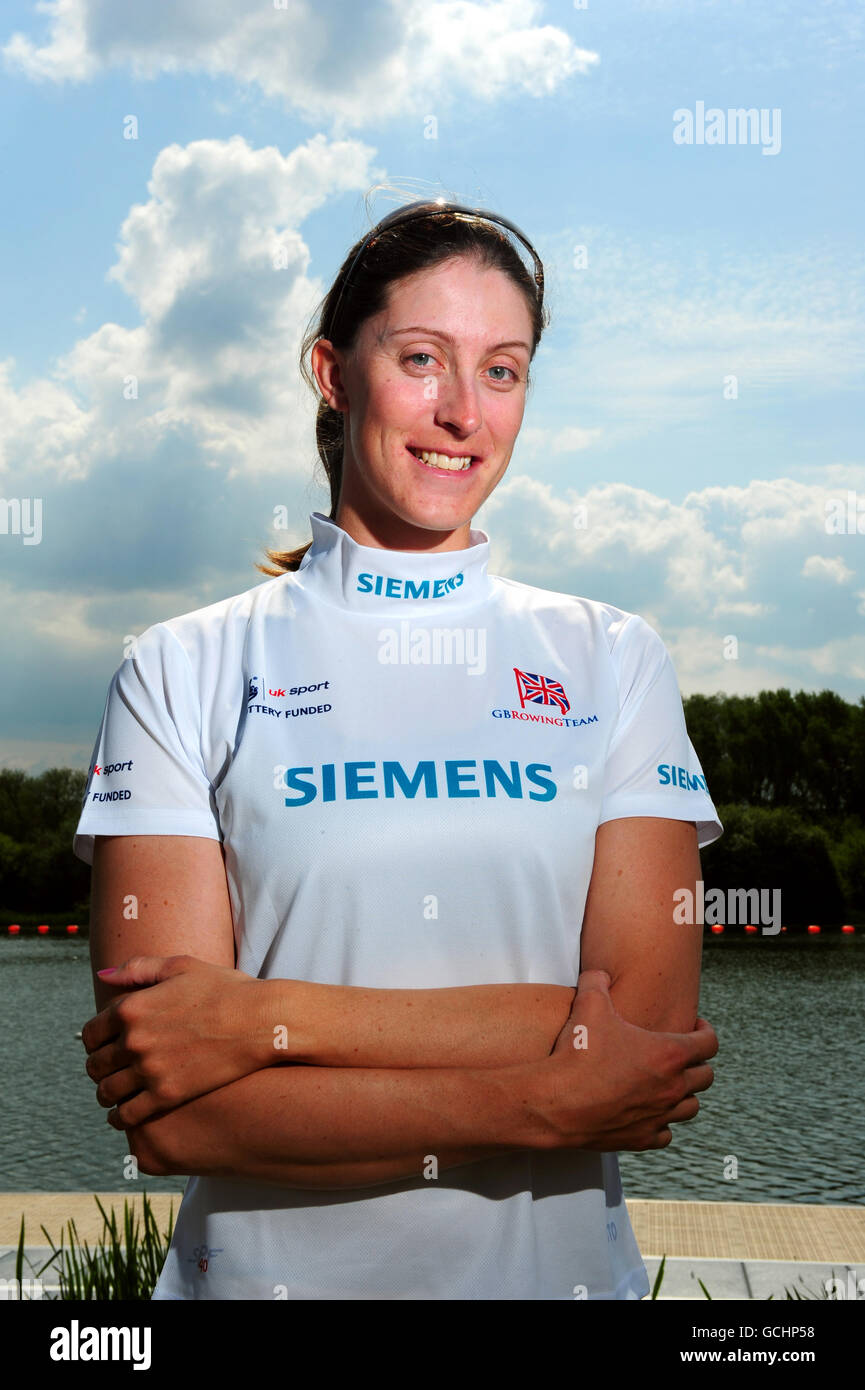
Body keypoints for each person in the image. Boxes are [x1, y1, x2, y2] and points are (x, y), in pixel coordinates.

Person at [74, 197, 722, 1301]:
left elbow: (644, 1049)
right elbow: (180, 1109)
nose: (463, 411)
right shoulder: (177, 667)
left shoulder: (612, 658)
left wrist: (257, 1021)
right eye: (422, 359)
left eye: (503, 370)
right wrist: (542, 1088)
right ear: (332, 373)